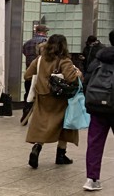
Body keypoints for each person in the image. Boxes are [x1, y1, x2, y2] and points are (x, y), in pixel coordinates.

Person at [23, 34, 81, 169]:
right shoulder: (64, 61)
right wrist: (78, 73)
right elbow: (71, 78)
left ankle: (37, 147)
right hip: (59, 99)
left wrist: (42, 78)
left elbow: (27, 75)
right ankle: (61, 155)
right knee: (64, 125)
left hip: (42, 97)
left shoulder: (39, 59)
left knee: (43, 124)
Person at [81, 30, 114, 191]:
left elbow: (87, 80)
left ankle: (92, 179)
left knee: (94, 142)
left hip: (98, 107)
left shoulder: (99, 58)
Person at [21, 24, 48, 124]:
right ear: (45, 32)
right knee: (42, 96)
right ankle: (40, 119)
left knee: (28, 94)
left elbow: (24, 52)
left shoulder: (27, 43)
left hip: (30, 72)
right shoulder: (46, 43)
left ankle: (26, 112)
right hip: (42, 74)